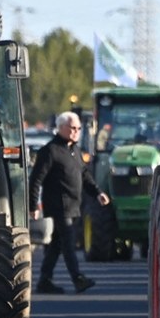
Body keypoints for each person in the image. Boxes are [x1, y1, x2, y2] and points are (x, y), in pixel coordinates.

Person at [29, 111, 110, 294]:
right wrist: (32, 206)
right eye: (72, 128)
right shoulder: (50, 151)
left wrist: (98, 193)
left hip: (73, 205)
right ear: (61, 128)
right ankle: (77, 278)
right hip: (58, 205)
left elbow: (84, 175)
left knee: (56, 245)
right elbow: (35, 180)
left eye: (79, 128)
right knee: (68, 242)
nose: (76, 132)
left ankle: (44, 280)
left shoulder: (74, 151)